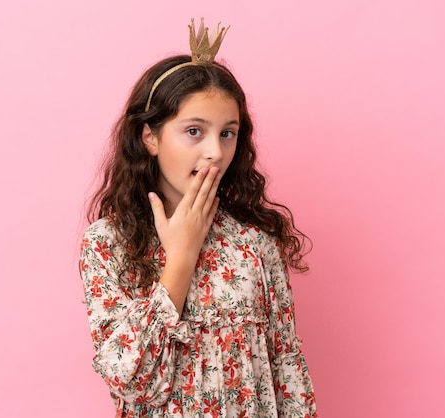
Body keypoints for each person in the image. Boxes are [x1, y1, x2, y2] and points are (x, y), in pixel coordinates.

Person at [80, 18, 317, 417]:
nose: (215, 152)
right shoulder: (107, 243)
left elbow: (288, 369)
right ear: (149, 137)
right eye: (194, 131)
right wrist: (182, 257)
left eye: (228, 133)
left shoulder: (255, 241)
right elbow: (130, 381)